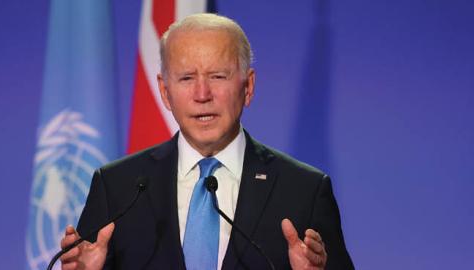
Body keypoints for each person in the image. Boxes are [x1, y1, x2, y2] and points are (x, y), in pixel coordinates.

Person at [60, 13, 354, 270]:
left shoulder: (304, 191)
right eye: (187, 78)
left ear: (248, 86)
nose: (202, 95)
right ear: (164, 91)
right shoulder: (116, 188)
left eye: (218, 76)